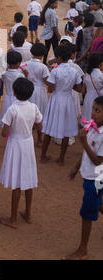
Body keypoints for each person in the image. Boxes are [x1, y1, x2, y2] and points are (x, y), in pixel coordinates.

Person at [0, 78, 43, 229]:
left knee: (17, 182)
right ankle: (28, 213)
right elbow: (39, 125)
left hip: (15, 144)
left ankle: (13, 218)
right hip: (27, 143)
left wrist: (11, 131)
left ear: (15, 93)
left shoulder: (12, 109)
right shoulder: (33, 107)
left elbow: (4, 131)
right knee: (28, 179)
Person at [65, 97, 103, 260]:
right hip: (89, 174)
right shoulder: (93, 129)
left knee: (87, 213)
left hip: (96, 179)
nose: (93, 113)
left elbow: (97, 160)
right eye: (93, 109)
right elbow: (87, 155)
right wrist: (75, 168)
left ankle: (82, 250)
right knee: (99, 204)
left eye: (98, 111)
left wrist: (83, 142)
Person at [41, 45, 83, 165]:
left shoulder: (55, 71)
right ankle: (61, 159)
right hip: (68, 100)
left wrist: (56, 86)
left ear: (59, 57)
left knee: (48, 128)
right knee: (66, 130)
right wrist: (69, 86)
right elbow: (79, 89)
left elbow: (51, 89)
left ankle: (43, 155)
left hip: (56, 100)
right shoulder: (74, 71)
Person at [24, 43, 49, 144]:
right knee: (40, 115)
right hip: (40, 91)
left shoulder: (26, 64)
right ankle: (39, 139)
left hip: (28, 90)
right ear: (43, 55)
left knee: (28, 115)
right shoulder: (43, 67)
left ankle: (28, 137)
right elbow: (47, 81)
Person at [81, 53, 103, 122]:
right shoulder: (101, 75)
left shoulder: (86, 75)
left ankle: (86, 124)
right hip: (98, 98)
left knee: (87, 112)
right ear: (100, 64)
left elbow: (83, 90)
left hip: (88, 97)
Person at [40, 0, 61, 65]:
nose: (57, 5)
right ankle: (57, 62)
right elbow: (53, 25)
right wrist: (58, 34)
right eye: (56, 3)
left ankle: (44, 61)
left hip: (48, 32)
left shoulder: (47, 10)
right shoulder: (52, 12)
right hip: (53, 32)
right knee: (56, 49)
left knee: (47, 48)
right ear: (51, 4)